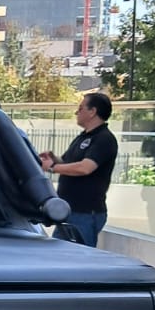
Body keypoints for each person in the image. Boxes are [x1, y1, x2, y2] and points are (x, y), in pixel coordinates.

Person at [39, 92, 118, 247]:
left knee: (79, 256)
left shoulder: (104, 139)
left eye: (81, 108)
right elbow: (68, 163)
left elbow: (85, 168)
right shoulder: (83, 137)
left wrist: (53, 167)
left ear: (92, 111)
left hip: (85, 213)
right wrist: (53, 159)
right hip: (69, 210)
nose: (77, 112)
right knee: (58, 255)